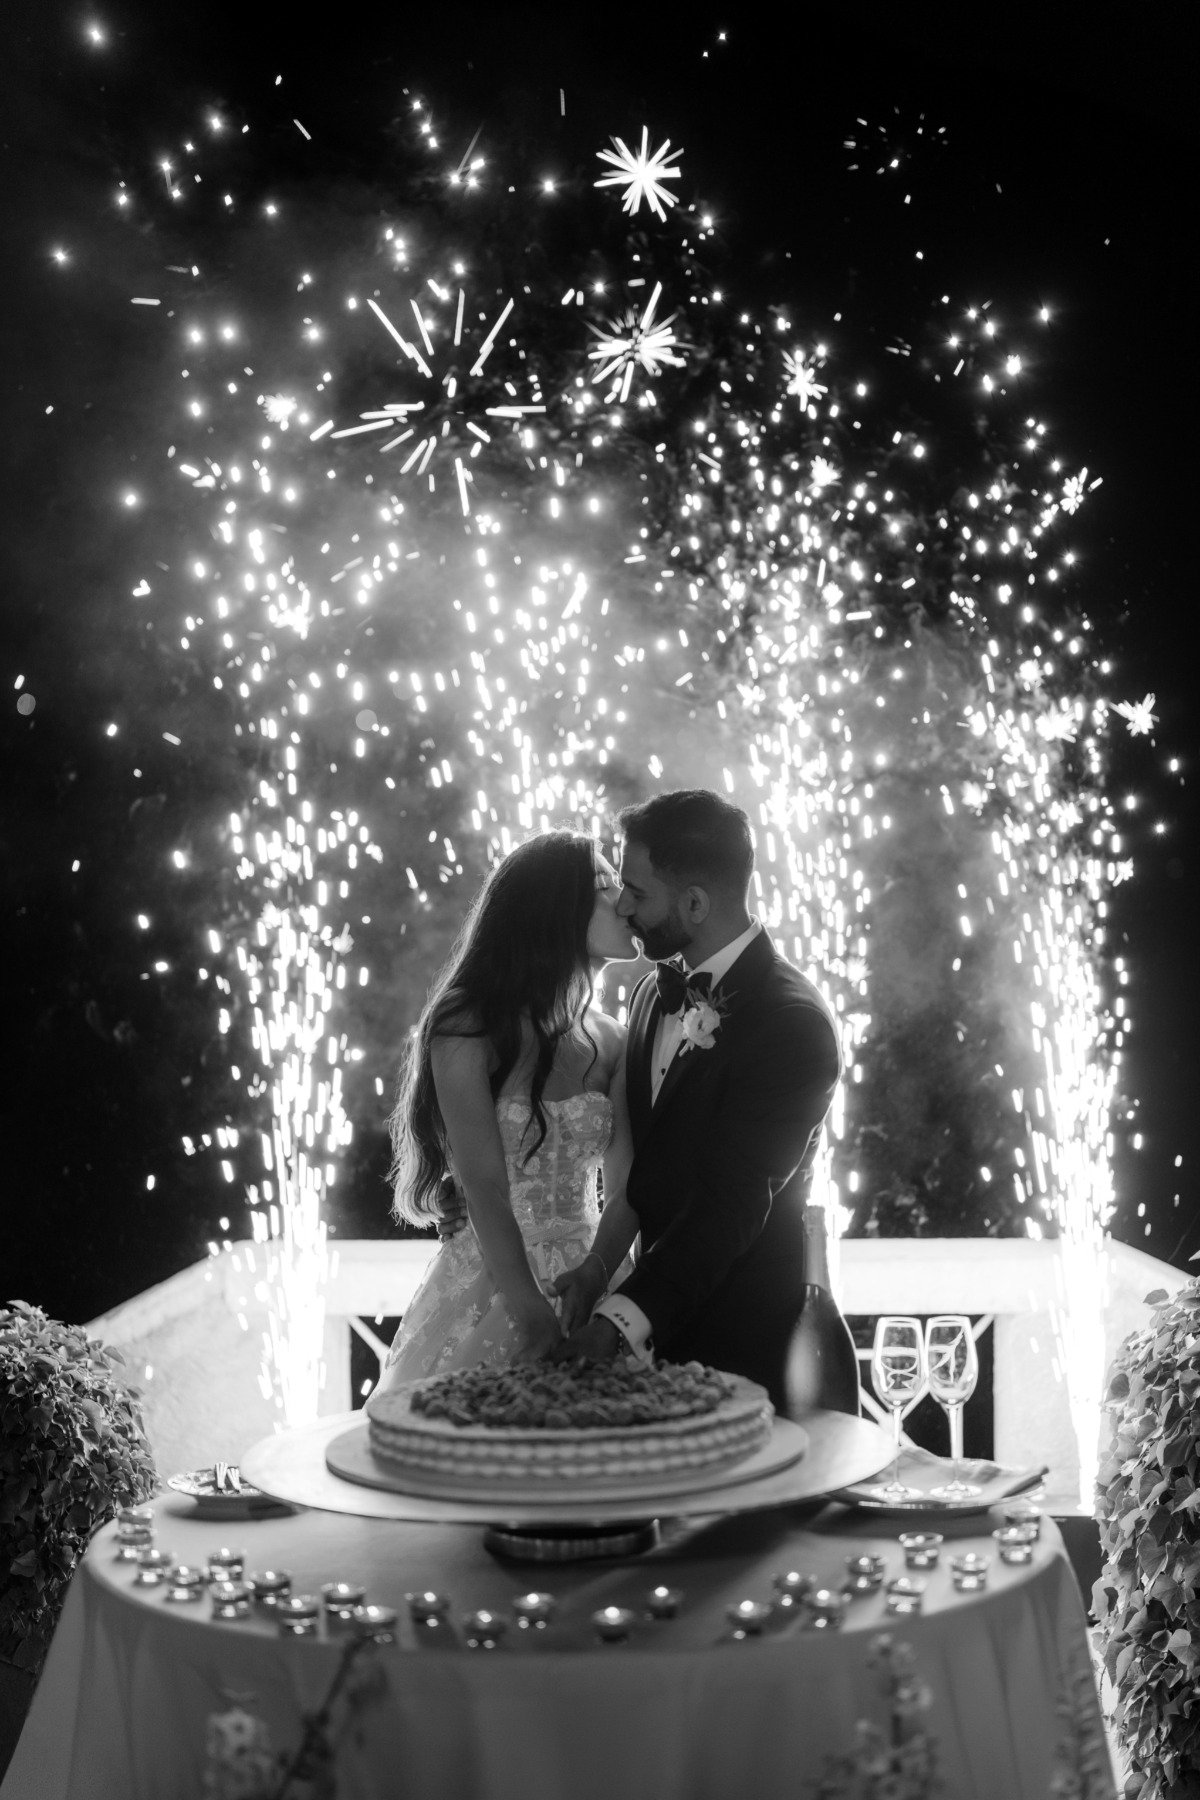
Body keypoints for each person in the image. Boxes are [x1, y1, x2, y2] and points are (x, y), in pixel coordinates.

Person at [551, 789, 843, 1415]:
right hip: (659, 1343)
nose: (623, 906)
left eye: (636, 891)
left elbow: (730, 1205)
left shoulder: (793, 1025)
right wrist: (600, 1269)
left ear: (694, 903)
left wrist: (614, 1324)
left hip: (750, 1345)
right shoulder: (651, 996)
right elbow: (646, 1170)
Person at [374, 830, 639, 1390]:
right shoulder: (469, 1025)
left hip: (595, 1276)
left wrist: (606, 1291)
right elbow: (485, 1187)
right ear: (550, 907)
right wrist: (530, 1311)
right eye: (603, 884)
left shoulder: (616, 1042)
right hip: (494, 1277)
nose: (624, 897)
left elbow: (625, 1190)